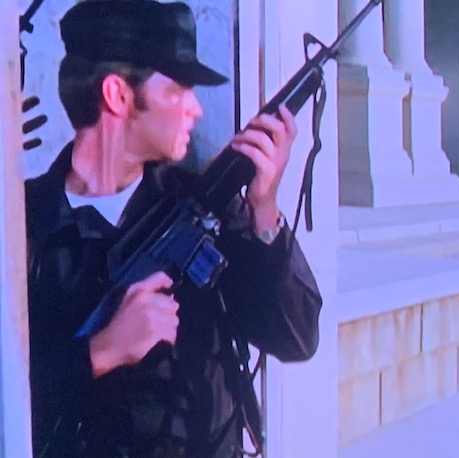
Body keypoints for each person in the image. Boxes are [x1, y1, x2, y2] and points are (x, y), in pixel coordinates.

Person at [24, 1, 323, 457]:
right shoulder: (23, 228)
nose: (195, 109)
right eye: (177, 90)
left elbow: (296, 338)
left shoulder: (204, 207)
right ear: (117, 95)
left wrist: (263, 211)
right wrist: (101, 351)